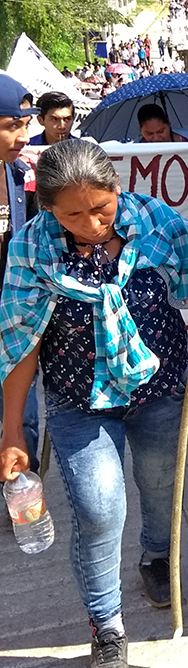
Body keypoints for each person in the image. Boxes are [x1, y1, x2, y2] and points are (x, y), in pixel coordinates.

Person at [0, 140, 188, 668]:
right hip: (80, 403)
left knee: (160, 487)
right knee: (99, 509)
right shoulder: (31, 247)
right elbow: (21, 342)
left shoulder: (152, 220)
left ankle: (154, 559)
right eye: (73, 214)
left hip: (160, 389)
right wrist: (12, 432)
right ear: (47, 207)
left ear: (117, 189)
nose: (94, 223)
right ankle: (106, 627)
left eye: (102, 207)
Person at [0, 73, 40, 468]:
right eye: (13, 126)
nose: (25, 136)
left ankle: (18, 494)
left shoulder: (16, 177)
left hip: (12, 325)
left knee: (23, 418)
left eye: (26, 125)